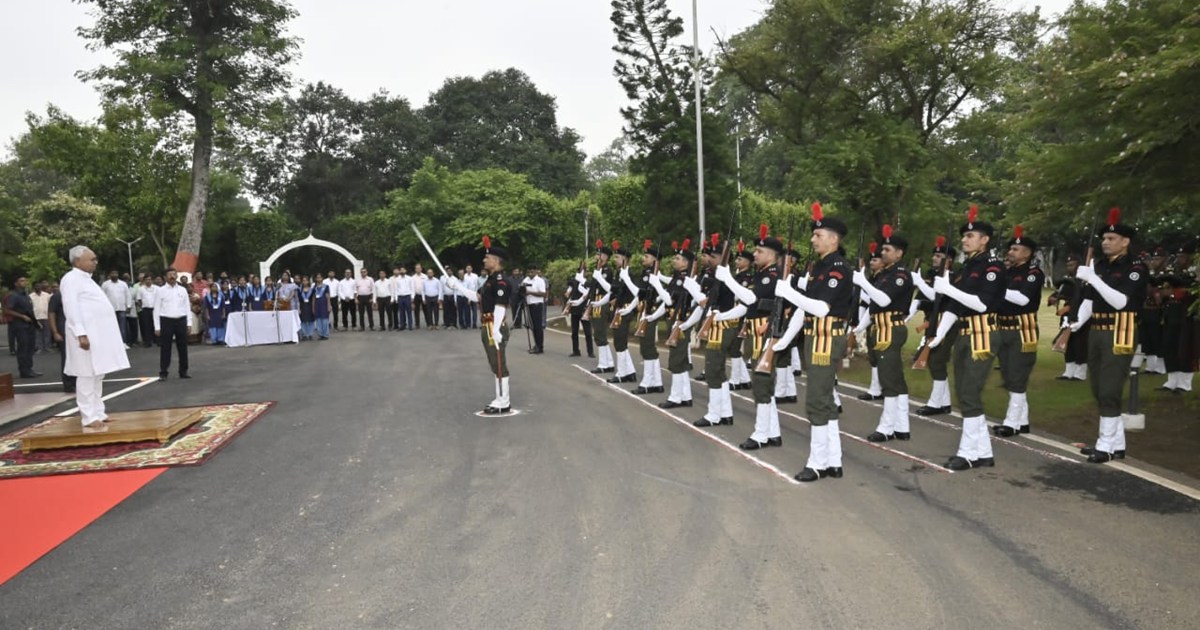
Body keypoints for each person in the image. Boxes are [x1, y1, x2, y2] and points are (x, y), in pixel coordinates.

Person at [773, 205, 853, 481]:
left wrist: (790, 292)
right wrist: (783, 341)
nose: (812, 239)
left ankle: (818, 463)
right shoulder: (822, 267)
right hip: (816, 336)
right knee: (826, 400)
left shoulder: (838, 268)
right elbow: (804, 311)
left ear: (833, 239)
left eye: (818, 235)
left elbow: (820, 308)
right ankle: (834, 460)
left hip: (826, 338)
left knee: (817, 401)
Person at [1069, 209, 1149, 462]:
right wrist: (1076, 323)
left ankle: (1105, 444)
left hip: (1121, 330)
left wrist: (1093, 278)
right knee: (1098, 387)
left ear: (1125, 242)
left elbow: (1120, 301)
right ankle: (1116, 444)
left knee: (1109, 389)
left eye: (1111, 238)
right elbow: (1090, 301)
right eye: (1103, 238)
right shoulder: (1101, 266)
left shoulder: (1135, 268)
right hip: (1097, 331)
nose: (1105, 242)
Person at [929, 207, 1006, 471]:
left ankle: (968, 452)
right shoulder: (967, 267)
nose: (964, 240)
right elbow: (955, 306)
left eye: (971, 235)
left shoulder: (993, 266)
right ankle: (982, 451)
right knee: (964, 392)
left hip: (983, 333)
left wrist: (949, 289)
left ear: (985, 239)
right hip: (964, 333)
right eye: (964, 236)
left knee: (970, 393)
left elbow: (983, 304)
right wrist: (939, 334)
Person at [852, 226, 915, 443]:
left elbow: (884, 301)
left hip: (890, 329)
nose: (883, 253)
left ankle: (887, 427)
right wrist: (859, 327)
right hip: (880, 326)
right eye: (883, 249)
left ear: (899, 253)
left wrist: (863, 283)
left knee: (889, 379)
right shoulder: (885, 274)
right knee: (894, 377)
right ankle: (901, 426)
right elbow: (873, 308)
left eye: (887, 249)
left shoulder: (900, 275)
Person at [60, 246, 130, 426]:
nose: (95, 262)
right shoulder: (71, 279)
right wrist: (80, 334)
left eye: (95, 259)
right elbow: (71, 308)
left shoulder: (88, 280)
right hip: (84, 337)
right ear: (77, 261)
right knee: (86, 374)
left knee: (98, 374)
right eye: (91, 259)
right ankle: (88, 416)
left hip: (98, 336)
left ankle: (99, 412)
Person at [447, 237, 513, 413]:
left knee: (499, 363)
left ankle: (504, 401)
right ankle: (500, 397)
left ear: (496, 261)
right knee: (494, 362)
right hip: (488, 324)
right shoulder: (490, 280)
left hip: (494, 325)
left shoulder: (501, 281)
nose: (484, 260)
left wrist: (497, 329)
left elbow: (500, 306)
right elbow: (478, 297)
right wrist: (457, 287)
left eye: (487, 258)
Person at [992, 226, 1044, 437]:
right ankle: (1022, 421)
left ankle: (1012, 422)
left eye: (1016, 248)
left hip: (1023, 329)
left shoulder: (1033, 273)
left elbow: (1023, 299)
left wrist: (996, 288)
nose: (1011, 252)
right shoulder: (1006, 273)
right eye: (1010, 248)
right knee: (1008, 373)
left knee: (1017, 374)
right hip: (1002, 326)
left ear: (1027, 252)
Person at [691, 235, 739, 428]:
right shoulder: (715, 277)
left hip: (722, 326)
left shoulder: (726, 279)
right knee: (717, 370)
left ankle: (714, 414)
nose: (710, 259)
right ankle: (724, 413)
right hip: (715, 325)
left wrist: (696, 292)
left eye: (715, 256)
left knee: (712, 368)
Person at [913, 237, 958, 415]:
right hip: (933, 321)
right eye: (934, 255)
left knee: (937, 360)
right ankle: (944, 402)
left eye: (939, 255)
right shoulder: (935, 277)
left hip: (947, 323)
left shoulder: (952, 277)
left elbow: (934, 296)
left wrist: (919, 282)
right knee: (934, 361)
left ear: (949, 260)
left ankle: (935, 403)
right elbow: (926, 300)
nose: (934, 258)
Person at [658, 240, 696, 409]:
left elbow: (669, 301)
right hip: (677, 320)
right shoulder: (678, 278)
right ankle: (685, 396)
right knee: (680, 359)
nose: (674, 260)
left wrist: (656, 285)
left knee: (676, 360)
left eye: (678, 258)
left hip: (680, 321)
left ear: (686, 263)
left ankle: (676, 397)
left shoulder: (683, 279)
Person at [1048, 253, 1089, 380]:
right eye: (1068, 265)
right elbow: (1060, 293)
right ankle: (1068, 371)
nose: (1069, 267)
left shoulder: (1084, 281)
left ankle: (1080, 373)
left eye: (1072, 265)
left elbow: (1084, 299)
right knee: (1068, 343)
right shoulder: (1067, 280)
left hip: (1080, 314)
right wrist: (1054, 298)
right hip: (1066, 315)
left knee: (1080, 344)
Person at [153, 268, 193, 381]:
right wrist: (157, 326)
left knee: (183, 347)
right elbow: (156, 309)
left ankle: (183, 371)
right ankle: (163, 372)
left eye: (174, 274)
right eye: (169, 274)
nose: (172, 276)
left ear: (177, 276)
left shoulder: (182, 290)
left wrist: (189, 323)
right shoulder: (160, 291)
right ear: (165, 277)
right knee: (166, 348)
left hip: (181, 320)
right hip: (166, 320)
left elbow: (187, 307)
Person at [3, 277, 40, 377]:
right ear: (16, 283)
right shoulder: (13, 295)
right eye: (21, 281)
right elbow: (7, 310)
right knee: (23, 347)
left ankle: (29, 368)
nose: (25, 282)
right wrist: (22, 316)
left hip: (29, 324)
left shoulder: (26, 295)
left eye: (25, 280)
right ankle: (24, 371)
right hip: (19, 324)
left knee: (30, 347)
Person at [587, 241, 616, 373]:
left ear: (605, 257)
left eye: (599, 254)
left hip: (602, 302)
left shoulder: (606, 271)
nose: (596, 256)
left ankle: (604, 364)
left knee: (600, 334)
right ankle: (607, 362)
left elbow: (608, 289)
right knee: (598, 334)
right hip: (596, 302)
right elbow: (593, 288)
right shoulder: (598, 270)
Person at [48, 283, 76, 393]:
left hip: (74, 331)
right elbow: (51, 314)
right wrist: (55, 332)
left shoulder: (73, 296)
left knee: (76, 357)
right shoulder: (57, 296)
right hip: (63, 331)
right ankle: (68, 384)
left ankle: (76, 381)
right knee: (67, 358)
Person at [563, 265, 594, 358]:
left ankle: (590, 352)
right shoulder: (574, 282)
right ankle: (576, 350)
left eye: (585, 271)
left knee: (588, 332)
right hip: (575, 309)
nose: (584, 273)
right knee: (574, 332)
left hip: (584, 308)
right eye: (582, 271)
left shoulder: (588, 282)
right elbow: (568, 292)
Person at [101, 269, 132, 348]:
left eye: (116, 273)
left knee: (122, 326)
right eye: (112, 273)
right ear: (109, 275)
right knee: (112, 326)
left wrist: (128, 306)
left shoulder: (123, 284)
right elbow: (102, 297)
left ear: (118, 274)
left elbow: (127, 295)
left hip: (121, 308)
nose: (114, 275)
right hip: (110, 309)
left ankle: (123, 342)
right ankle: (113, 343)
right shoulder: (105, 284)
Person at [523, 265, 548, 353]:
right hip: (529, 304)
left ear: (536, 271)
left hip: (537, 304)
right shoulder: (526, 280)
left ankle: (540, 346)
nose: (530, 274)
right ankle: (536, 344)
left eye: (532, 272)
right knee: (532, 326)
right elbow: (522, 289)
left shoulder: (540, 280)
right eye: (529, 272)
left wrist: (530, 292)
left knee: (538, 327)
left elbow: (543, 294)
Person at [204, 280, 228, 345]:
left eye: (215, 287)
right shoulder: (207, 296)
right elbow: (206, 307)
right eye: (213, 287)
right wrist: (207, 315)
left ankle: (220, 339)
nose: (214, 288)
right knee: (212, 326)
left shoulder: (221, 296)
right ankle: (214, 340)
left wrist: (223, 314)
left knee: (220, 326)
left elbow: (223, 306)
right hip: (211, 313)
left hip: (219, 313)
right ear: (210, 288)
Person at [31, 281, 52, 352]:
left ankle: (47, 347)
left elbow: (50, 305)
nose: (38, 287)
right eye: (36, 286)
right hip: (36, 317)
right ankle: (39, 348)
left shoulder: (46, 295)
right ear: (34, 287)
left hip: (46, 316)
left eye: (39, 286)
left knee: (47, 333)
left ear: (41, 287)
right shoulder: (31, 296)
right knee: (37, 333)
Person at [393, 267, 413, 331]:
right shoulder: (397, 279)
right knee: (401, 312)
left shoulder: (409, 278)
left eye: (403, 270)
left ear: (405, 271)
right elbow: (396, 289)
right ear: (399, 271)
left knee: (409, 311)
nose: (402, 271)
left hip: (407, 296)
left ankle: (410, 325)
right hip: (400, 297)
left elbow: (412, 288)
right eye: (401, 270)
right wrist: (396, 298)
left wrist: (412, 297)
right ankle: (402, 325)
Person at [312, 275, 331, 340]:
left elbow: (328, 297)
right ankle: (320, 334)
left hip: (324, 304)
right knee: (318, 320)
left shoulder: (326, 287)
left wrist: (329, 305)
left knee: (325, 320)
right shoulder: (314, 287)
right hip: (317, 305)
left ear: (322, 278)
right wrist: (313, 307)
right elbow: (314, 298)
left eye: (320, 277)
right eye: (317, 278)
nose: (318, 279)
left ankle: (325, 334)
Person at [298, 275, 317, 340]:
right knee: (303, 321)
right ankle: (304, 334)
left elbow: (314, 299)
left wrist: (313, 308)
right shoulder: (300, 290)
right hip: (302, 306)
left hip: (310, 306)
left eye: (306, 280)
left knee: (310, 320)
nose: (304, 282)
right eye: (303, 280)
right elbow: (299, 300)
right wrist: (299, 308)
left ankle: (310, 334)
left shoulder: (312, 290)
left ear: (308, 281)